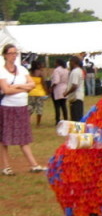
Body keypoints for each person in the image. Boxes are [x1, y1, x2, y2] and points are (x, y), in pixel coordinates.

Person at [0, 44, 46, 176]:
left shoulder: (22, 69)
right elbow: (6, 90)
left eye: (15, 53)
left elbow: (31, 84)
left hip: (21, 106)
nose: (13, 55)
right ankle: (6, 167)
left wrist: (18, 85)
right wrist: (23, 87)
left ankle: (34, 165)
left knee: (23, 137)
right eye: (11, 53)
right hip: (7, 107)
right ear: (5, 55)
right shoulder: (2, 71)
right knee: (4, 138)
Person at [27, 61, 48, 127]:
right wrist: (47, 91)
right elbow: (43, 83)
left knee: (30, 107)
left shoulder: (30, 73)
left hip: (31, 92)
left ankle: (26, 121)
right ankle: (38, 124)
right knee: (39, 108)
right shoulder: (40, 73)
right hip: (40, 93)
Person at [64, 56, 85, 122]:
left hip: (75, 97)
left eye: (70, 62)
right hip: (79, 96)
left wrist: (66, 93)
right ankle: (78, 130)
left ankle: (78, 131)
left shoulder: (75, 72)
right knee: (78, 117)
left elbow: (74, 86)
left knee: (76, 118)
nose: (69, 64)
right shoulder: (80, 70)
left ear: (73, 62)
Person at [50, 58, 69, 124]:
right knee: (64, 105)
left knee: (57, 106)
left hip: (57, 89)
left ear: (58, 63)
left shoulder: (57, 70)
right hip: (65, 88)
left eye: (55, 63)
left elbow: (56, 81)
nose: (54, 64)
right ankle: (66, 119)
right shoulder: (66, 70)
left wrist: (52, 88)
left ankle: (57, 120)